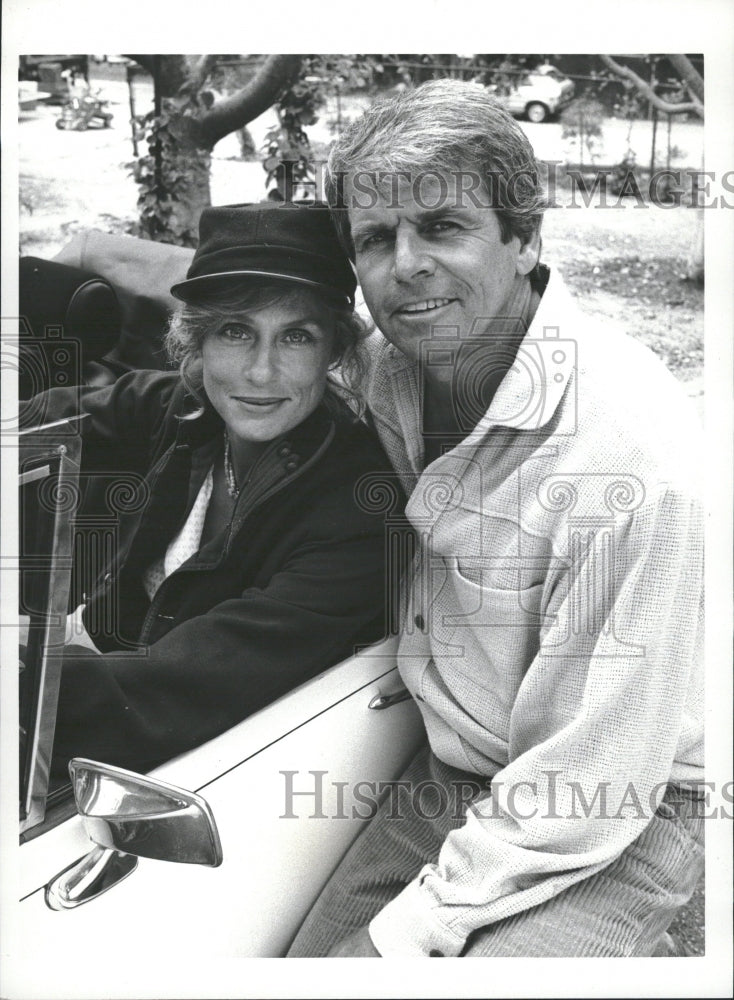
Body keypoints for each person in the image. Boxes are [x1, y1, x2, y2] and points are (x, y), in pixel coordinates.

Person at [287, 80, 704, 957]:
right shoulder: (397, 371)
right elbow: (268, 338)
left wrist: (410, 934)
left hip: (618, 801)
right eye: (375, 239)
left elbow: (596, 773)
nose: (405, 265)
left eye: (441, 227)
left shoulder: (631, 457)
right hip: (463, 766)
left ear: (524, 238)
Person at [20, 202, 395, 780]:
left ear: (334, 351)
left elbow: (181, 687)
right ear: (196, 342)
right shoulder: (182, 405)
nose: (261, 372)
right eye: (235, 331)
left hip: (178, 756)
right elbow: (32, 428)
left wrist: (20, 675)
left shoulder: (359, 511)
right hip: (80, 662)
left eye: (296, 336)